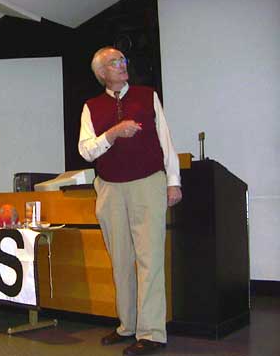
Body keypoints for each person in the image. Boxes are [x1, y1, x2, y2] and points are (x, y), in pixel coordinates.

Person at [78, 47, 182, 356]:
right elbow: (86, 150)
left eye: (123, 60)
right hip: (110, 189)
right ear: (101, 73)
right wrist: (112, 133)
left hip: (148, 184)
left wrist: (173, 181)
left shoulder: (147, 96)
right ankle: (128, 326)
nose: (122, 65)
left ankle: (152, 333)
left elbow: (166, 139)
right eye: (114, 62)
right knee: (120, 260)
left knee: (149, 259)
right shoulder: (91, 107)